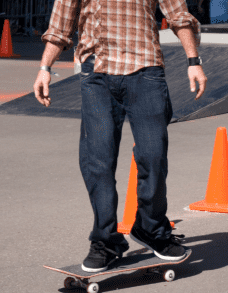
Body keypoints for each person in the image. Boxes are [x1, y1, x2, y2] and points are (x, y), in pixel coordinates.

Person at [33, 0, 207, 272]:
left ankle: (151, 229)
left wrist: (193, 60)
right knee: (98, 161)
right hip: (98, 76)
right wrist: (44, 69)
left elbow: (178, 15)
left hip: (146, 71)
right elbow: (60, 26)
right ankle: (106, 241)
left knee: (154, 155)